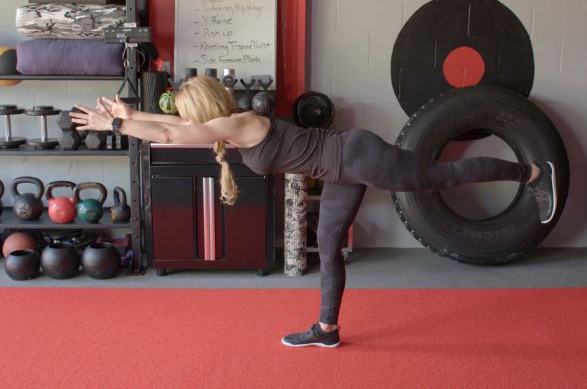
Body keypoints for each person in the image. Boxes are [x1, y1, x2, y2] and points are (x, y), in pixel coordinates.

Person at [70, 76, 558, 348]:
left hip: (357, 156)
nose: (188, 121)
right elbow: (174, 123)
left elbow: (172, 133)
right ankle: (327, 329)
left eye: (192, 114)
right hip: (341, 170)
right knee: (327, 245)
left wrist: (118, 124)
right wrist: (130, 115)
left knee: (441, 176)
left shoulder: (239, 122)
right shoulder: (228, 123)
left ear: (206, 111)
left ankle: (531, 174)